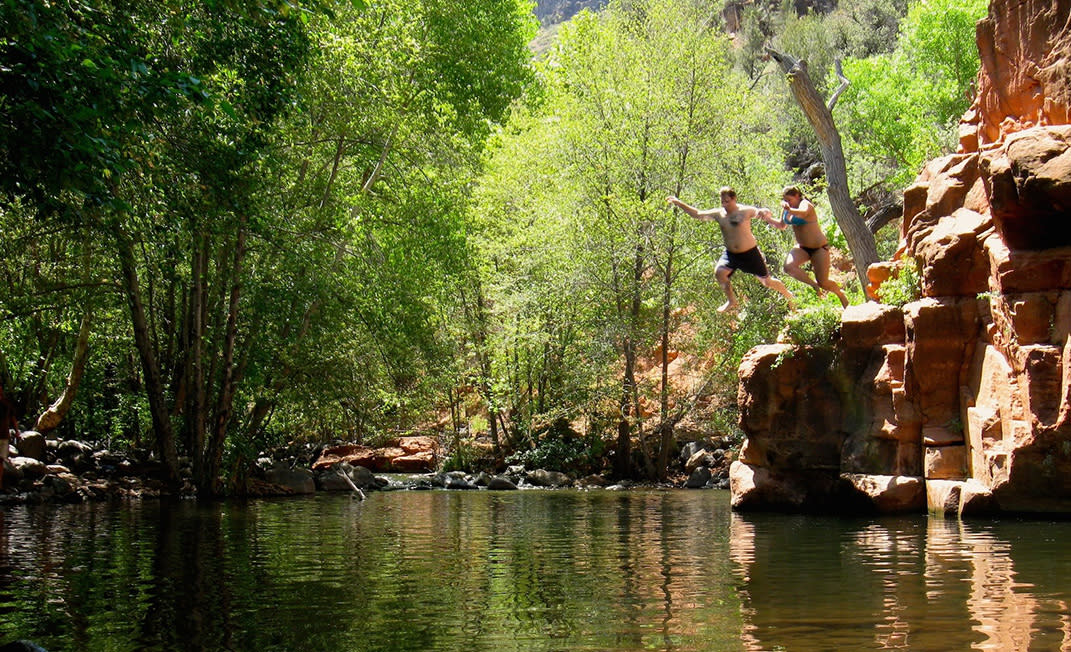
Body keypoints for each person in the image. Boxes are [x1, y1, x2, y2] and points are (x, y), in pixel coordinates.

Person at [667, 187, 795, 313]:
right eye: (722, 202)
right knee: (719, 272)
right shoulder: (719, 214)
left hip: (750, 254)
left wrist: (765, 211)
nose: (724, 204)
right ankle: (731, 300)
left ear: (734, 199)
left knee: (767, 282)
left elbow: (761, 213)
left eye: (727, 201)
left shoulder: (745, 211)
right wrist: (678, 202)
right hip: (731, 255)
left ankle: (788, 295)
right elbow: (697, 214)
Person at [778, 186, 849, 308]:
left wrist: (789, 209)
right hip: (802, 248)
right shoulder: (787, 208)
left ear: (797, 196)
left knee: (824, 282)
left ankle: (840, 294)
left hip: (819, 248)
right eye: (785, 200)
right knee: (788, 267)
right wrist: (765, 217)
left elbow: (804, 213)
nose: (787, 202)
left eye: (789, 199)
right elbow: (781, 225)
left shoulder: (806, 205)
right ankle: (814, 285)